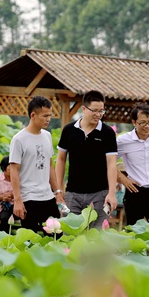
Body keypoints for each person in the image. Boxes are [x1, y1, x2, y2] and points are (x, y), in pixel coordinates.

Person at [54, 90, 118, 229]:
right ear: (84, 108)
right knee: (70, 236)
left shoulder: (108, 133)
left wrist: (112, 193)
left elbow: (112, 164)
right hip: (72, 195)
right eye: (94, 110)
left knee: (97, 240)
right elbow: (60, 160)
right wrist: (59, 192)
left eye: (101, 111)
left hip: (100, 195)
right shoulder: (69, 130)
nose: (98, 114)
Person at [9, 95, 61, 232]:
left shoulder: (47, 136)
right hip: (28, 198)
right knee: (30, 241)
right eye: (45, 116)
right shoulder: (19, 139)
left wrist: (58, 192)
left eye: (50, 115)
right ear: (33, 115)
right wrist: (18, 200)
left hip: (47, 196)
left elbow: (50, 166)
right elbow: (14, 171)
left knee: (56, 236)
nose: (48, 119)